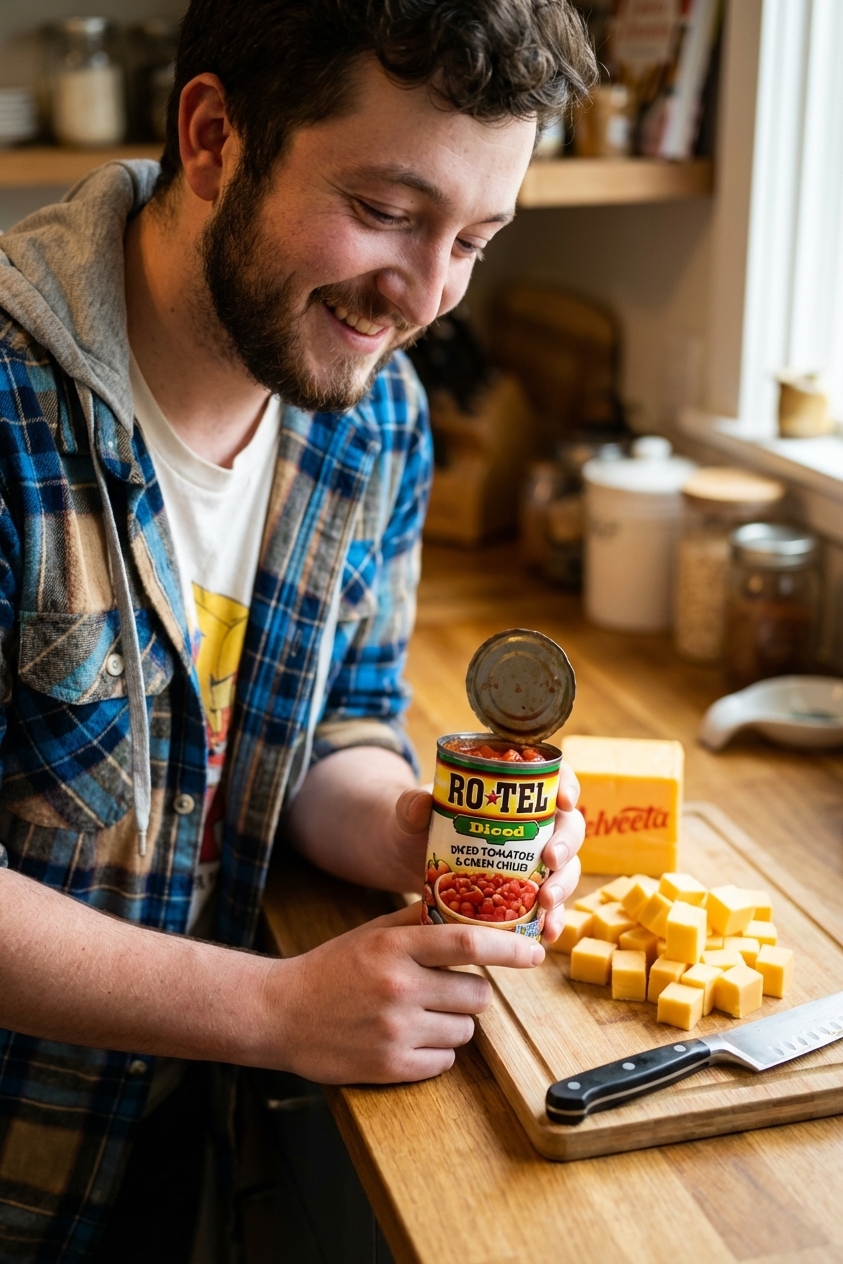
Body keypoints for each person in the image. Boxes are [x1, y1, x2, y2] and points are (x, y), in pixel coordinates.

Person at [0, 0, 597, 1258]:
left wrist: (403, 827)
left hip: (173, 1135)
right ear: (215, 137)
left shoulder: (373, 420)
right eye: (387, 211)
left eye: (475, 239)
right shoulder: (8, 411)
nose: (425, 295)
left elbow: (334, 720)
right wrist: (274, 1007)